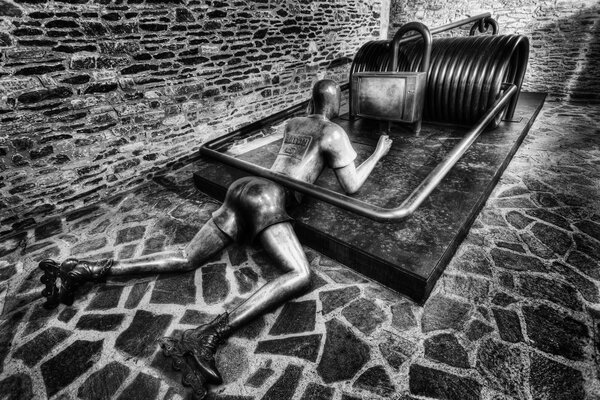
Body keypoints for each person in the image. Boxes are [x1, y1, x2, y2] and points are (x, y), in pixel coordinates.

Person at [39, 79, 392, 395]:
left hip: (243, 186)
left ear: (312, 101)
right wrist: (377, 154)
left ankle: (84, 269)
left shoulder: (294, 122)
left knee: (186, 256)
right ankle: (207, 336)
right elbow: (352, 186)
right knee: (300, 274)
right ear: (336, 105)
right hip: (267, 200)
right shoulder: (334, 133)